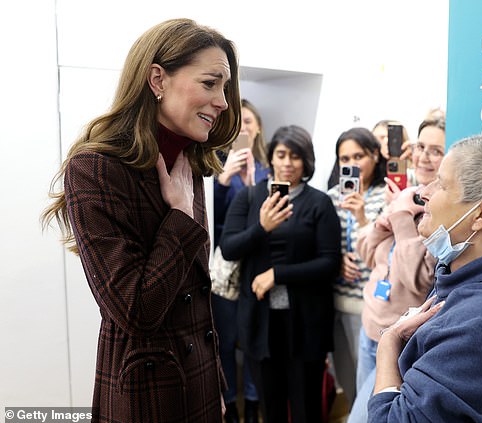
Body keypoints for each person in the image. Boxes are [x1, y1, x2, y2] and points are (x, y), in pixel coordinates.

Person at [41, 18, 241, 422]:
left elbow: (197, 297)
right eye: (209, 83)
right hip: (148, 395)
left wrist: (217, 386)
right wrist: (181, 218)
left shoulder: (189, 162)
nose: (222, 101)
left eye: (224, 87)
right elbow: (134, 310)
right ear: (157, 79)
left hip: (200, 384)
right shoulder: (95, 168)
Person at [368, 132, 482, 422]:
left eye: (441, 184)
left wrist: (388, 345)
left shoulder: (481, 326)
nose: (424, 192)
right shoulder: (464, 277)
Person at [220, 125, 341, 423]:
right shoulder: (249, 197)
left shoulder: (319, 203)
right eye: (281, 154)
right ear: (271, 158)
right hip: (260, 322)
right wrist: (262, 228)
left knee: (306, 408)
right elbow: (229, 248)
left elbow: (329, 263)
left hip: (305, 322)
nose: (288, 163)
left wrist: (278, 274)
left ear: (307, 162)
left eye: (296, 156)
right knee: (270, 407)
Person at [347, 112, 446, 422]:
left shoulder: (443, 208)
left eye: (436, 150)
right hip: (371, 325)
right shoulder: (404, 195)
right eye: (420, 147)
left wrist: (402, 219)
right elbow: (367, 254)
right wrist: (383, 220)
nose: (424, 157)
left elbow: (418, 279)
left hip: (401, 338)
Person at [211, 98, 269, 423]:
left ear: (258, 127)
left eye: (248, 121)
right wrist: (222, 184)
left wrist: (253, 188)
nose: (243, 127)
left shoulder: (270, 170)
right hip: (227, 268)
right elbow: (211, 221)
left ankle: (254, 402)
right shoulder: (219, 170)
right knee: (225, 340)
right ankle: (230, 403)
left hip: (259, 266)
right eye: (236, 122)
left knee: (253, 339)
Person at [326, 127, 387, 405]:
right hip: (335, 300)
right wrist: (337, 261)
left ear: (375, 154)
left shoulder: (388, 195)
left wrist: (361, 216)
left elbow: (387, 253)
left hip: (370, 305)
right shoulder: (330, 197)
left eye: (358, 156)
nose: (351, 164)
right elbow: (321, 245)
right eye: (344, 158)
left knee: (369, 388)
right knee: (346, 380)